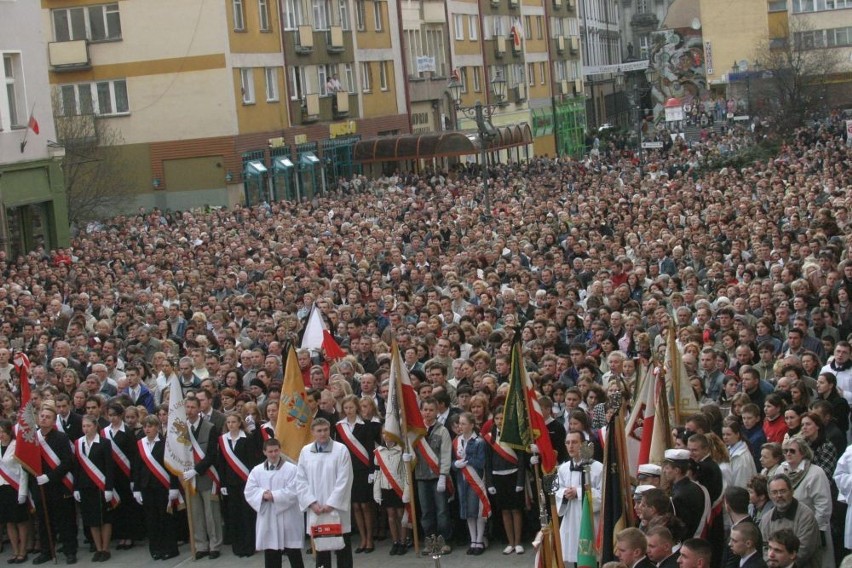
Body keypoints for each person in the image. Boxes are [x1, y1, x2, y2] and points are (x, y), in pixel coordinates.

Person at [296, 418, 354, 568]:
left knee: (342, 546)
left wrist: (331, 503)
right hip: (316, 508)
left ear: (330, 430)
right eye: (319, 431)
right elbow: (300, 480)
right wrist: (311, 502)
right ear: (313, 432)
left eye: (325, 430)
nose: (323, 433)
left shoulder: (341, 450)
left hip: (336, 508)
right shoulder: (305, 451)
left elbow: (345, 479)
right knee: (321, 548)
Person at [31, 402, 79, 566]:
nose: (44, 419)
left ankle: (70, 551)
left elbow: (67, 463)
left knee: (65, 520)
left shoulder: (60, 437)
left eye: (48, 417)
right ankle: (46, 551)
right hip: (40, 487)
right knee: (44, 521)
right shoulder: (32, 438)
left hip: (58, 485)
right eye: (42, 416)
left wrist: (50, 477)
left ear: (53, 421)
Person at [245, 438, 305, 568]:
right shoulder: (257, 470)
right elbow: (249, 490)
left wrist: (274, 495)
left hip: (288, 515)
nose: (273, 454)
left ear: (280, 450)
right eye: (270, 451)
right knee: (271, 551)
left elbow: (295, 490)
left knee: (293, 552)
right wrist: (262, 495)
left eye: (276, 451)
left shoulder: (292, 469)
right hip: (268, 516)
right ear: (264, 452)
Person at [132, 415, 180, 560]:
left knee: (165, 518)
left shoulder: (165, 443)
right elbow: (136, 467)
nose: (147, 429)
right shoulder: (140, 444)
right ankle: (156, 548)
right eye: (145, 426)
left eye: (150, 426)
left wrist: (173, 486)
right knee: (151, 519)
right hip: (146, 487)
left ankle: (170, 549)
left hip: (162, 486)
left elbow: (172, 466)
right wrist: (136, 488)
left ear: (157, 427)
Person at [181, 396, 223, 560]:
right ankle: (200, 545)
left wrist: (196, 470)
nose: (190, 410)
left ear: (199, 409)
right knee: (196, 513)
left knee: (211, 513)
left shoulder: (210, 427)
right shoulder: (181, 428)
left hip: (207, 475)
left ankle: (215, 544)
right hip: (189, 479)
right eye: (188, 407)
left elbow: (212, 454)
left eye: (193, 407)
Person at [334, 394, 378, 553]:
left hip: (364, 469)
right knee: (355, 506)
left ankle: (370, 539)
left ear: (357, 408)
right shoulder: (339, 426)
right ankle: (362, 539)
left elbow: (370, 449)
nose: (349, 410)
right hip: (348, 470)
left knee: (366, 505)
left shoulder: (365, 425)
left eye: (351, 407)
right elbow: (338, 450)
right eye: (346, 408)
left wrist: (372, 470)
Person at [483, 406, 527, 555]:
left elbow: (521, 460)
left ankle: (518, 542)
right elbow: (487, 462)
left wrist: (520, 481)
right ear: (493, 420)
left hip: (514, 475)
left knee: (516, 509)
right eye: (497, 418)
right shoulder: (489, 438)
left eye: (502, 418)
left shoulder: (515, 435)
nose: (500, 421)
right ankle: (510, 542)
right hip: (498, 477)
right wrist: (489, 483)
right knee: (505, 511)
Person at [556, 430, 602, 565]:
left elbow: (602, 495)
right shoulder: (563, 468)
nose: (571, 446)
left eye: (575, 442)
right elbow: (557, 491)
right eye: (568, 442)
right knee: (575, 556)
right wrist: (565, 493)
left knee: (591, 557)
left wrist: (579, 492)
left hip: (590, 518)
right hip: (571, 517)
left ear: (583, 445)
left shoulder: (598, 468)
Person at [73, 414, 115, 562]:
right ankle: (98, 548)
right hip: (85, 486)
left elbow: (110, 467)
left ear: (95, 426)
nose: (86, 429)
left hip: (101, 486)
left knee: (104, 518)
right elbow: (76, 467)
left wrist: (109, 487)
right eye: (84, 426)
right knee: (92, 519)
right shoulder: (79, 443)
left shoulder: (104, 443)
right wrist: (76, 487)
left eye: (88, 426)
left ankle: (105, 548)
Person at [413, 397, 453, 553]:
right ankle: (430, 541)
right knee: (426, 512)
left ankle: (444, 541)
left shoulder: (442, 431)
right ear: (421, 411)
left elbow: (445, 454)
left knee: (442, 511)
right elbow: (411, 450)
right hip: (421, 476)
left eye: (431, 410)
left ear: (437, 412)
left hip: (438, 477)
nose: (428, 413)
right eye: (425, 410)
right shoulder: (416, 431)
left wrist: (443, 475)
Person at [217, 412, 258, 558]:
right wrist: (222, 483)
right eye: (228, 422)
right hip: (230, 483)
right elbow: (221, 463)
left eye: (233, 422)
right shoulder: (223, 440)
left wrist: (253, 482)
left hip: (246, 482)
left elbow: (252, 461)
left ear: (240, 423)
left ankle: (250, 545)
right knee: (234, 515)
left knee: (247, 514)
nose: (231, 425)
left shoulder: (247, 438)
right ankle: (238, 546)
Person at [102, 402, 141, 550]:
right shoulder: (105, 432)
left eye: (115, 416)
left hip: (126, 474)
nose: (112, 419)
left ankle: (129, 536)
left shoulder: (127, 432)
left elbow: (134, 456)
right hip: (112, 475)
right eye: (110, 415)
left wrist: (133, 478)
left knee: (128, 506)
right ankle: (121, 536)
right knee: (116, 506)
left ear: (120, 416)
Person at [759, 475, 820, 568]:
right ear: (769, 495)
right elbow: (763, 547)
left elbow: (804, 550)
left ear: (792, 491)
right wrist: (771, 564)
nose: (779, 495)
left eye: (783, 491)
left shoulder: (806, 516)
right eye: (774, 492)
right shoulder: (766, 519)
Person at [452, 411, 490, 555]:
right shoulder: (456, 441)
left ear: (472, 425)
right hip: (462, 480)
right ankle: (472, 540)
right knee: (468, 511)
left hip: (476, 480)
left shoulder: (479, 441)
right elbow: (452, 463)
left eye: (463, 423)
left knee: (479, 511)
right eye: (459, 424)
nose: (460, 426)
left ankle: (479, 540)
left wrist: (466, 460)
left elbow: (481, 463)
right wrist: (456, 463)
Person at [373, 430, 410, 556]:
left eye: (389, 433)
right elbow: (377, 473)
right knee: (391, 515)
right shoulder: (378, 452)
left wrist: (407, 491)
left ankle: (403, 541)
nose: (386, 436)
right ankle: (395, 542)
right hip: (385, 487)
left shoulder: (402, 450)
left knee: (401, 515)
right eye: (383, 433)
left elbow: (406, 474)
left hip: (399, 487)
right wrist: (376, 492)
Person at [0, 420, 29, 564]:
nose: (1, 435)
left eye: (3, 432)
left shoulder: (16, 446)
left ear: (9, 432)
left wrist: (23, 492)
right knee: (9, 522)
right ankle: (15, 551)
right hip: (2, 488)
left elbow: (23, 471)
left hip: (16, 487)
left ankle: (23, 551)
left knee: (20, 521)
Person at [662, 449, 708, 540]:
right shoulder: (696, 487)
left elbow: (681, 528)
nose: (664, 471)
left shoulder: (679, 496)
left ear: (676, 471)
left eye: (667, 468)